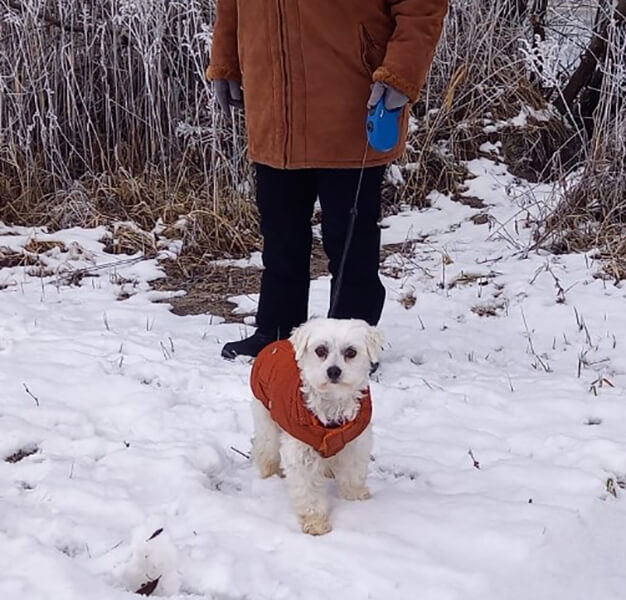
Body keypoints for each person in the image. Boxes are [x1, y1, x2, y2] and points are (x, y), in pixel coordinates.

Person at [207, 0, 448, 359]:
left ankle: (351, 348)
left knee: (349, 237)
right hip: (272, 103)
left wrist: (401, 73)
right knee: (280, 230)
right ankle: (277, 333)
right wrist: (226, 60)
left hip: (352, 97)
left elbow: (421, 7)